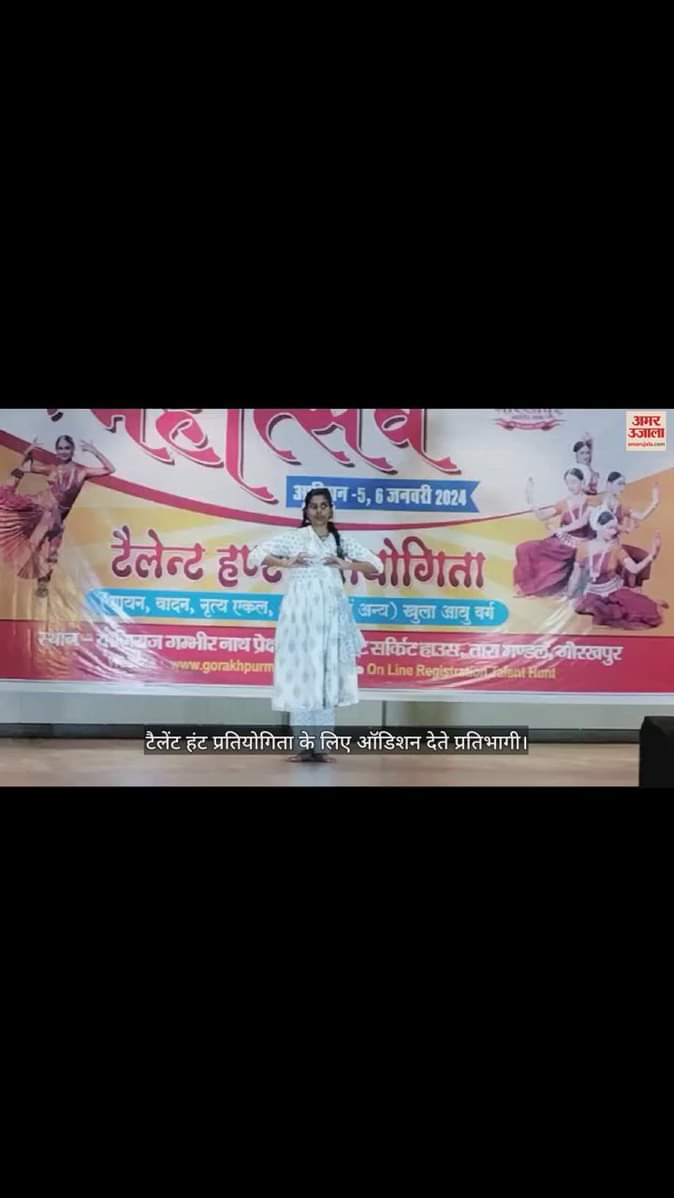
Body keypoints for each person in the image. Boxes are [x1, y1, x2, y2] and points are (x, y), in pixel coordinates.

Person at [248, 487, 384, 763]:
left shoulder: (341, 541)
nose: (319, 511)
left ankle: (321, 747)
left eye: (324, 505)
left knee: (326, 678)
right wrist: (286, 563)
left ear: (331, 509)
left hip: (331, 618)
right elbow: (255, 555)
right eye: (314, 506)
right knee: (302, 676)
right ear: (306, 511)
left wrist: (346, 565)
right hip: (300, 618)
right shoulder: (295, 538)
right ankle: (302, 747)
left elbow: (376, 566)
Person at [0, 434, 115, 597]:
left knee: (52, 550)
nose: (63, 451)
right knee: (30, 535)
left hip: (57, 515)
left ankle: (43, 583)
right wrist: (28, 452)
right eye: (60, 448)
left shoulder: (82, 471)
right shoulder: (52, 469)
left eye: (66, 448)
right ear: (56, 451)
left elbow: (110, 469)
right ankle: (39, 579)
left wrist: (94, 451)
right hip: (40, 506)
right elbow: (26, 467)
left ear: (72, 450)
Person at [568, 508, 665, 629]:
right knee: (583, 608)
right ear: (597, 527)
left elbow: (634, 569)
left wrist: (652, 556)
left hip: (614, 592)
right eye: (610, 528)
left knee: (649, 613)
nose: (614, 532)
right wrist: (571, 595)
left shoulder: (616, 549)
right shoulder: (583, 548)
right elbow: (576, 575)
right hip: (592, 594)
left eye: (615, 528)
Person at [513, 469, 591, 598]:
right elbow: (542, 516)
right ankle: (526, 587)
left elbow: (583, 522)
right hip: (560, 541)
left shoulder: (590, 500)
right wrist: (531, 501)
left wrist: (561, 530)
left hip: (579, 543)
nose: (571, 486)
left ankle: (536, 588)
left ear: (582, 482)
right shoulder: (564, 503)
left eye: (574, 482)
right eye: (568, 483)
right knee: (524, 548)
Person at [591, 472, 660, 589]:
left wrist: (655, 502)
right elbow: (603, 525)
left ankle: (635, 589)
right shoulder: (600, 502)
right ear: (609, 484)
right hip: (604, 547)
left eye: (623, 484)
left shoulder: (620, 506)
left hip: (616, 545)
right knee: (632, 566)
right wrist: (626, 527)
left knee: (641, 557)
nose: (622, 488)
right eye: (619, 484)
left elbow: (640, 516)